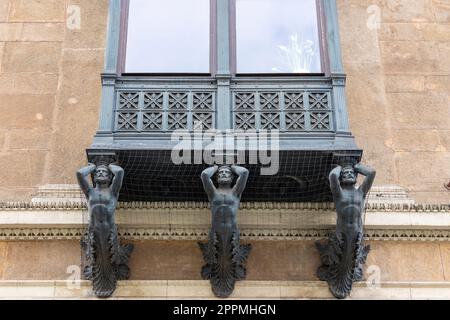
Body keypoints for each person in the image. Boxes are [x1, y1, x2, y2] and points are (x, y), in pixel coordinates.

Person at [77, 162, 133, 298]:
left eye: (104, 172)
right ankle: (100, 274)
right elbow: (79, 174)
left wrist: (109, 165)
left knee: (107, 253)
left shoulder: (113, 191)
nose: (101, 173)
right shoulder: (89, 192)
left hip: (109, 230)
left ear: (109, 177)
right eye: (98, 173)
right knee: (99, 255)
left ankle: (109, 273)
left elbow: (119, 172)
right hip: (94, 231)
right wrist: (92, 167)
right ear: (94, 177)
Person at [199, 165, 251, 298]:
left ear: (232, 177)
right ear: (216, 178)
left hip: (232, 232)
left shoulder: (235, 193)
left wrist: (231, 167)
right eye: (220, 173)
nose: (223, 174)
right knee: (218, 254)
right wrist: (216, 167)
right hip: (216, 232)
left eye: (226, 173)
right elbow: (204, 175)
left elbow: (244, 172)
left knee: (229, 255)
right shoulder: (213, 193)